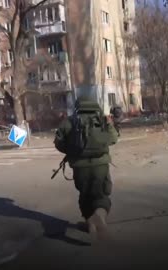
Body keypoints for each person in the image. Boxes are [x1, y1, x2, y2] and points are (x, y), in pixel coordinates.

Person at [53, 96, 119, 239]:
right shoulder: (102, 119)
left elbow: (58, 142)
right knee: (101, 194)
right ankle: (99, 216)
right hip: (100, 164)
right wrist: (110, 125)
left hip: (79, 166)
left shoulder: (70, 121)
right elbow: (113, 138)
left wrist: (71, 151)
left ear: (78, 106)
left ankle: (90, 223)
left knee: (85, 195)